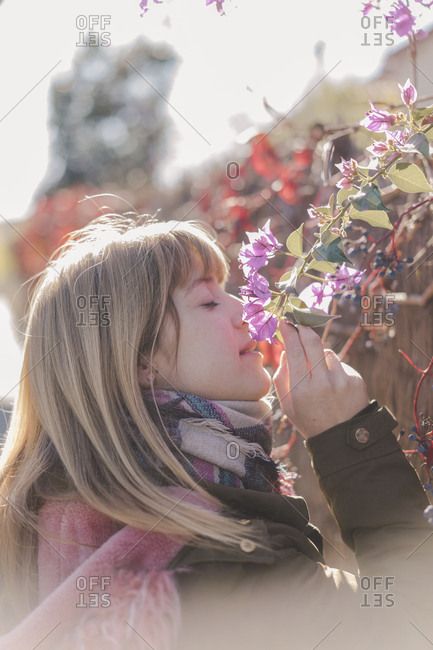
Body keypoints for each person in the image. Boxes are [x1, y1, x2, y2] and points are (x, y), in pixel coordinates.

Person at [0, 214, 431, 649]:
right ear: (140, 362)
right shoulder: (219, 570)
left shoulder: (82, 533)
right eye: (208, 302)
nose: (245, 309)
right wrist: (348, 439)